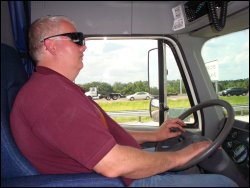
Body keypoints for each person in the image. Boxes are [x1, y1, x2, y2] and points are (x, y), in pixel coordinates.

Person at [10, 15, 237, 187]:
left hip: (120, 174)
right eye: (76, 39)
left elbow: (99, 137)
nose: (84, 46)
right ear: (51, 45)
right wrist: (180, 156)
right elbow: (114, 163)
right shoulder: (50, 95)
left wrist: (155, 136)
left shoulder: (57, 88)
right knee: (223, 183)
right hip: (119, 180)